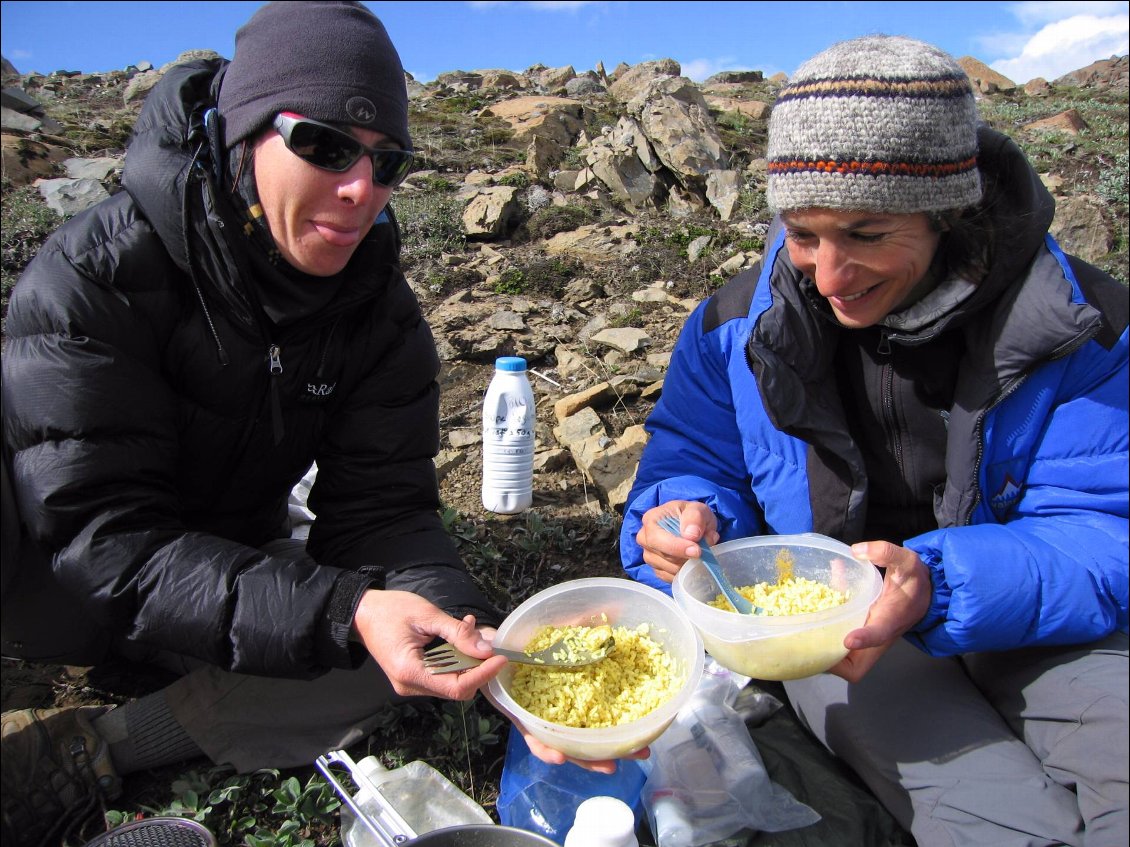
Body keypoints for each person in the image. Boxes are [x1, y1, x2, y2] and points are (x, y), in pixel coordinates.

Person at [0, 4, 604, 844]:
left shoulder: (377, 311)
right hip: (52, 582)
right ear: (244, 134)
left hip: (225, 566)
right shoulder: (90, 281)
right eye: (323, 145)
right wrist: (345, 607)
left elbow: (386, 512)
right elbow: (105, 541)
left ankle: (92, 749)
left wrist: (480, 652)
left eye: (387, 160)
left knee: (399, 654)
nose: (361, 188)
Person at [620, 34, 1128, 847]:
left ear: (947, 212)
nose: (829, 274)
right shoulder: (731, 328)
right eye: (803, 232)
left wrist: (941, 583)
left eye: (866, 232)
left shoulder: (1082, 328)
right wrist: (683, 516)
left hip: (1048, 615)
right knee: (998, 824)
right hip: (837, 636)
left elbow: (1111, 531)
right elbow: (691, 459)